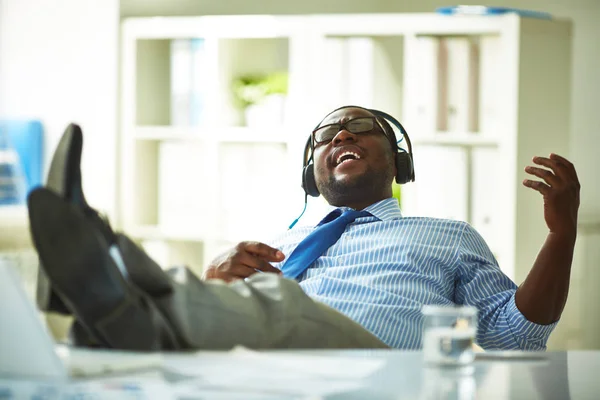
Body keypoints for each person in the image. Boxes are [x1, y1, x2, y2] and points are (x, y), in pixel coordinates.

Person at [31, 105, 580, 351]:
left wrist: (561, 235)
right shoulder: (280, 245)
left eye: (359, 128)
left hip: (372, 372)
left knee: (284, 304)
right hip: (270, 374)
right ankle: (94, 313)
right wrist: (215, 279)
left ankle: (107, 261)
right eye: (326, 138)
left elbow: (516, 336)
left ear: (399, 162)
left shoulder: (446, 235)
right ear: (311, 175)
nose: (341, 137)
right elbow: (232, 325)